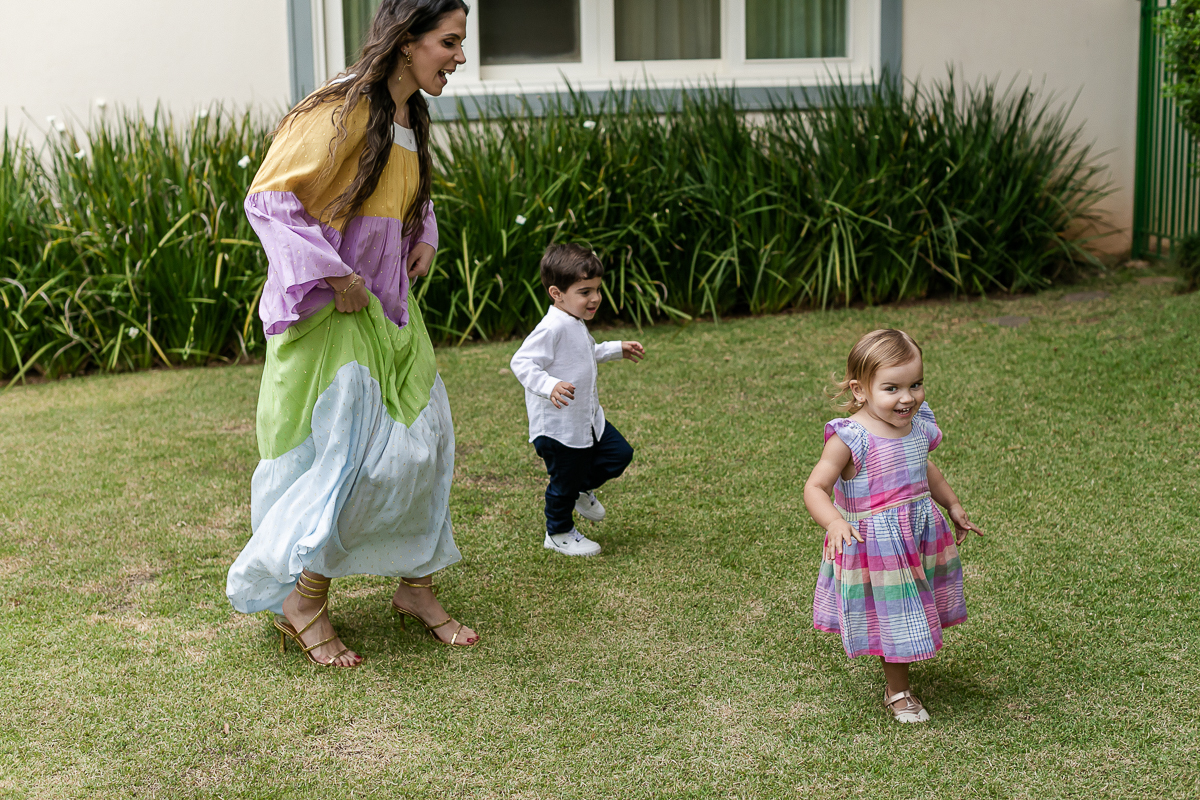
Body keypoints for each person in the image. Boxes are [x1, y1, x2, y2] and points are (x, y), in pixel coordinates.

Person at [225, 0, 479, 668]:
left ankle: (416, 587)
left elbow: (399, 196)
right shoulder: (338, 109)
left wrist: (421, 235)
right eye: (449, 42)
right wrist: (334, 275)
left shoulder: (407, 116)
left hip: (389, 307)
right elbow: (272, 200)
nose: (459, 56)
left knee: (427, 443)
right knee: (349, 459)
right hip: (332, 315)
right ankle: (304, 599)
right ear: (406, 43)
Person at [803, 329, 983, 722]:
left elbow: (925, 466)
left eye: (915, 384)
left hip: (917, 534)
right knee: (896, 613)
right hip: (878, 546)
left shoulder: (917, 425)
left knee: (913, 605)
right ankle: (897, 691)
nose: (907, 398)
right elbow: (816, 486)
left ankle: (901, 676)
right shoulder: (851, 437)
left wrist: (951, 503)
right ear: (860, 389)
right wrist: (834, 521)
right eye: (892, 388)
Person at [509, 244, 645, 557]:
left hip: (586, 418)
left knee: (619, 453)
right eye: (585, 291)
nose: (595, 298)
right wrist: (550, 384)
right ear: (556, 293)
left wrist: (615, 349)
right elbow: (522, 362)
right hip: (559, 428)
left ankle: (583, 488)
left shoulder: (573, 321)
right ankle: (558, 532)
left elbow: (585, 353)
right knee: (563, 483)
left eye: (597, 289)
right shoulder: (552, 326)